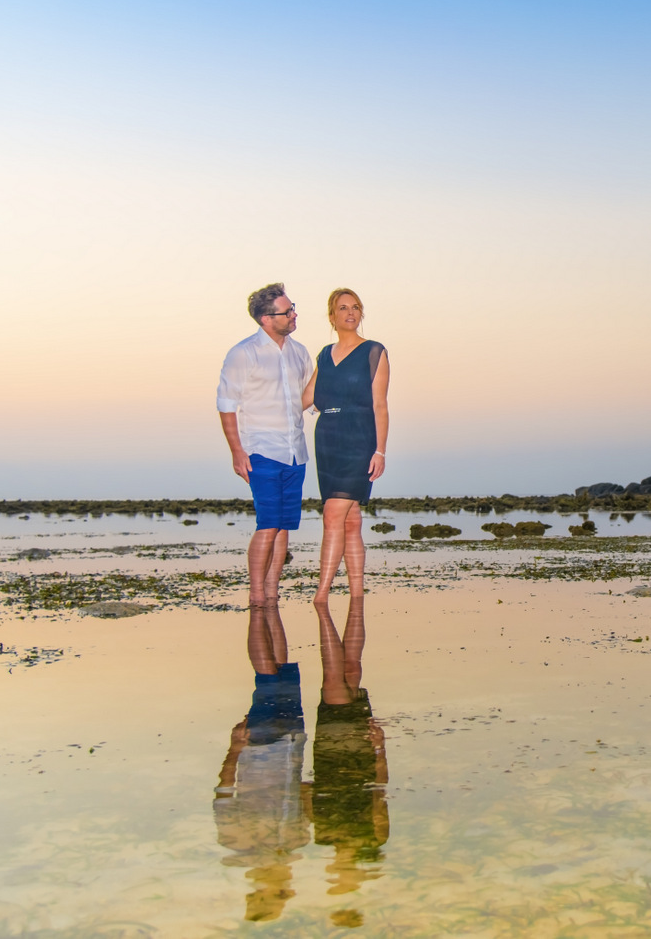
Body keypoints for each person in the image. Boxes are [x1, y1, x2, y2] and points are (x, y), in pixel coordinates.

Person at [217, 283, 315, 606]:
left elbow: (301, 401)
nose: (293, 314)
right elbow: (226, 403)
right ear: (265, 319)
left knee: (285, 525)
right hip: (261, 451)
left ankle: (272, 589)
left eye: (292, 307)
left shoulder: (300, 352)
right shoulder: (244, 353)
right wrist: (236, 452)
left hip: (295, 451)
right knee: (268, 523)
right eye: (286, 311)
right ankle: (256, 592)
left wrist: (326, 370)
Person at [214, 603, 310, 921]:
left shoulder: (236, 842)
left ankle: (261, 608)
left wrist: (234, 748)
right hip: (292, 743)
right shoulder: (297, 843)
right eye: (286, 890)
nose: (288, 883)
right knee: (282, 674)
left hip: (259, 752)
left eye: (280, 890)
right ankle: (268, 603)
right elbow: (303, 794)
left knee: (268, 681)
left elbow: (224, 793)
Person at [301, 288, 389, 601]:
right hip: (327, 440)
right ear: (332, 316)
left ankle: (321, 595)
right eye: (343, 308)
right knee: (351, 521)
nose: (350, 312)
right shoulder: (325, 354)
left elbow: (380, 405)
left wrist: (380, 450)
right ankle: (356, 595)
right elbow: (307, 397)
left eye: (355, 307)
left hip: (359, 438)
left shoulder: (374, 352)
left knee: (332, 515)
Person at [312, 594, 388, 895]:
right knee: (339, 675)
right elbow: (379, 794)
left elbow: (305, 790)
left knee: (350, 672)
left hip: (334, 753)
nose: (334, 870)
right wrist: (380, 748)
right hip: (344, 750)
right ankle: (325, 611)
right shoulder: (372, 839)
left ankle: (349, 605)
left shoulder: (324, 836)